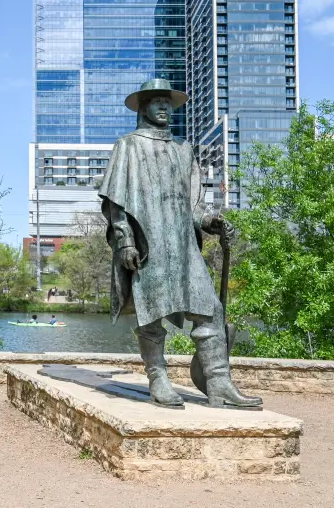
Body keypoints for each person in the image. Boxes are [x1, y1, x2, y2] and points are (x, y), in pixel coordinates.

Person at [98, 78, 262, 409]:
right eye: (156, 101)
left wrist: (209, 222)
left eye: (168, 102)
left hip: (183, 245)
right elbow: (116, 203)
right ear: (142, 107)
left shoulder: (183, 149)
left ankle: (219, 384)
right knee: (151, 313)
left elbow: (193, 203)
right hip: (148, 240)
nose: (164, 107)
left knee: (210, 311)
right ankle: (158, 378)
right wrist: (126, 240)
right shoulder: (128, 146)